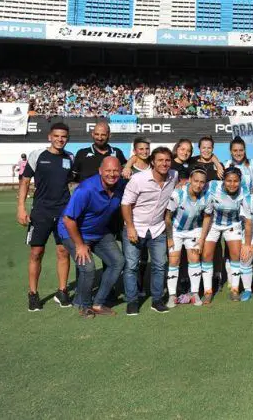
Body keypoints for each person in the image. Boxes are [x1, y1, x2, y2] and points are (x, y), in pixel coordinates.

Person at [58, 157, 126, 317]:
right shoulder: (86, 189)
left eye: (116, 170)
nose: (112, 174)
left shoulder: (121, 185)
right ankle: (84, 304)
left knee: (118, 262)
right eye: (108, 171)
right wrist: (80, 245)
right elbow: (68, 219)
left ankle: (98, 303)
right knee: (88, 269)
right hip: (72, 232)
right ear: (100, 171)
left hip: (99, 232)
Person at [17, 122, 74, 312]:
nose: (60, 139)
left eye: (64, 136)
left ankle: (62, 291)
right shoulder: (37, 155)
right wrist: (21, 208)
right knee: (36, 253)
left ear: (67, 138)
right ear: (50, 136)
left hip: (63, 212)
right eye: (57, 136)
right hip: (41, 211)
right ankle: (33, 294)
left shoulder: (70, 157)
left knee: (63, 252)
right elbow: (25, 181)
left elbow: (73, 184)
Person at [121, 146, 179, 315]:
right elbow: (125, 204)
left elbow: (181, 185)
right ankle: (132, 302)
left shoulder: (173, 176)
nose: (164, 163)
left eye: (167, 160)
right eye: (160, 160)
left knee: (160, 265)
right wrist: (130, 227)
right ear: (152, 162)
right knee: (131, 266)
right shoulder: (138, 179)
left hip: (157, 228)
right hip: (135, 228)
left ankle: (157, 300)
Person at [199, 168, 245, 303]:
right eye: (229, 180)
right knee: (207, 255)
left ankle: (235, 289)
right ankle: (208, 291)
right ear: (223, 180)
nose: (232, 184)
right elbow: (197, 186)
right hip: (213, 224)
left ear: (240, 181)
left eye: (236, 181)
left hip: (233, 224)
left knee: (236, 254)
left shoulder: (244, 191)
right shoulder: (212, 185)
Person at [165, 168, 209, 307]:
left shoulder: (207, 197)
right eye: (196, 181)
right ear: (190, 180)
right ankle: (172, 296)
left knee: (195, 259)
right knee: (174, 261)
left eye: (202, 182)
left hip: (194, 230)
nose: (198, 185)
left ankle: (195, 293)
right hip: (176, 231)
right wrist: (170, 238)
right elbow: (167, 217)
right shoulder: (178, 194)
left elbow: (207, 217)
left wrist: (202, 239)